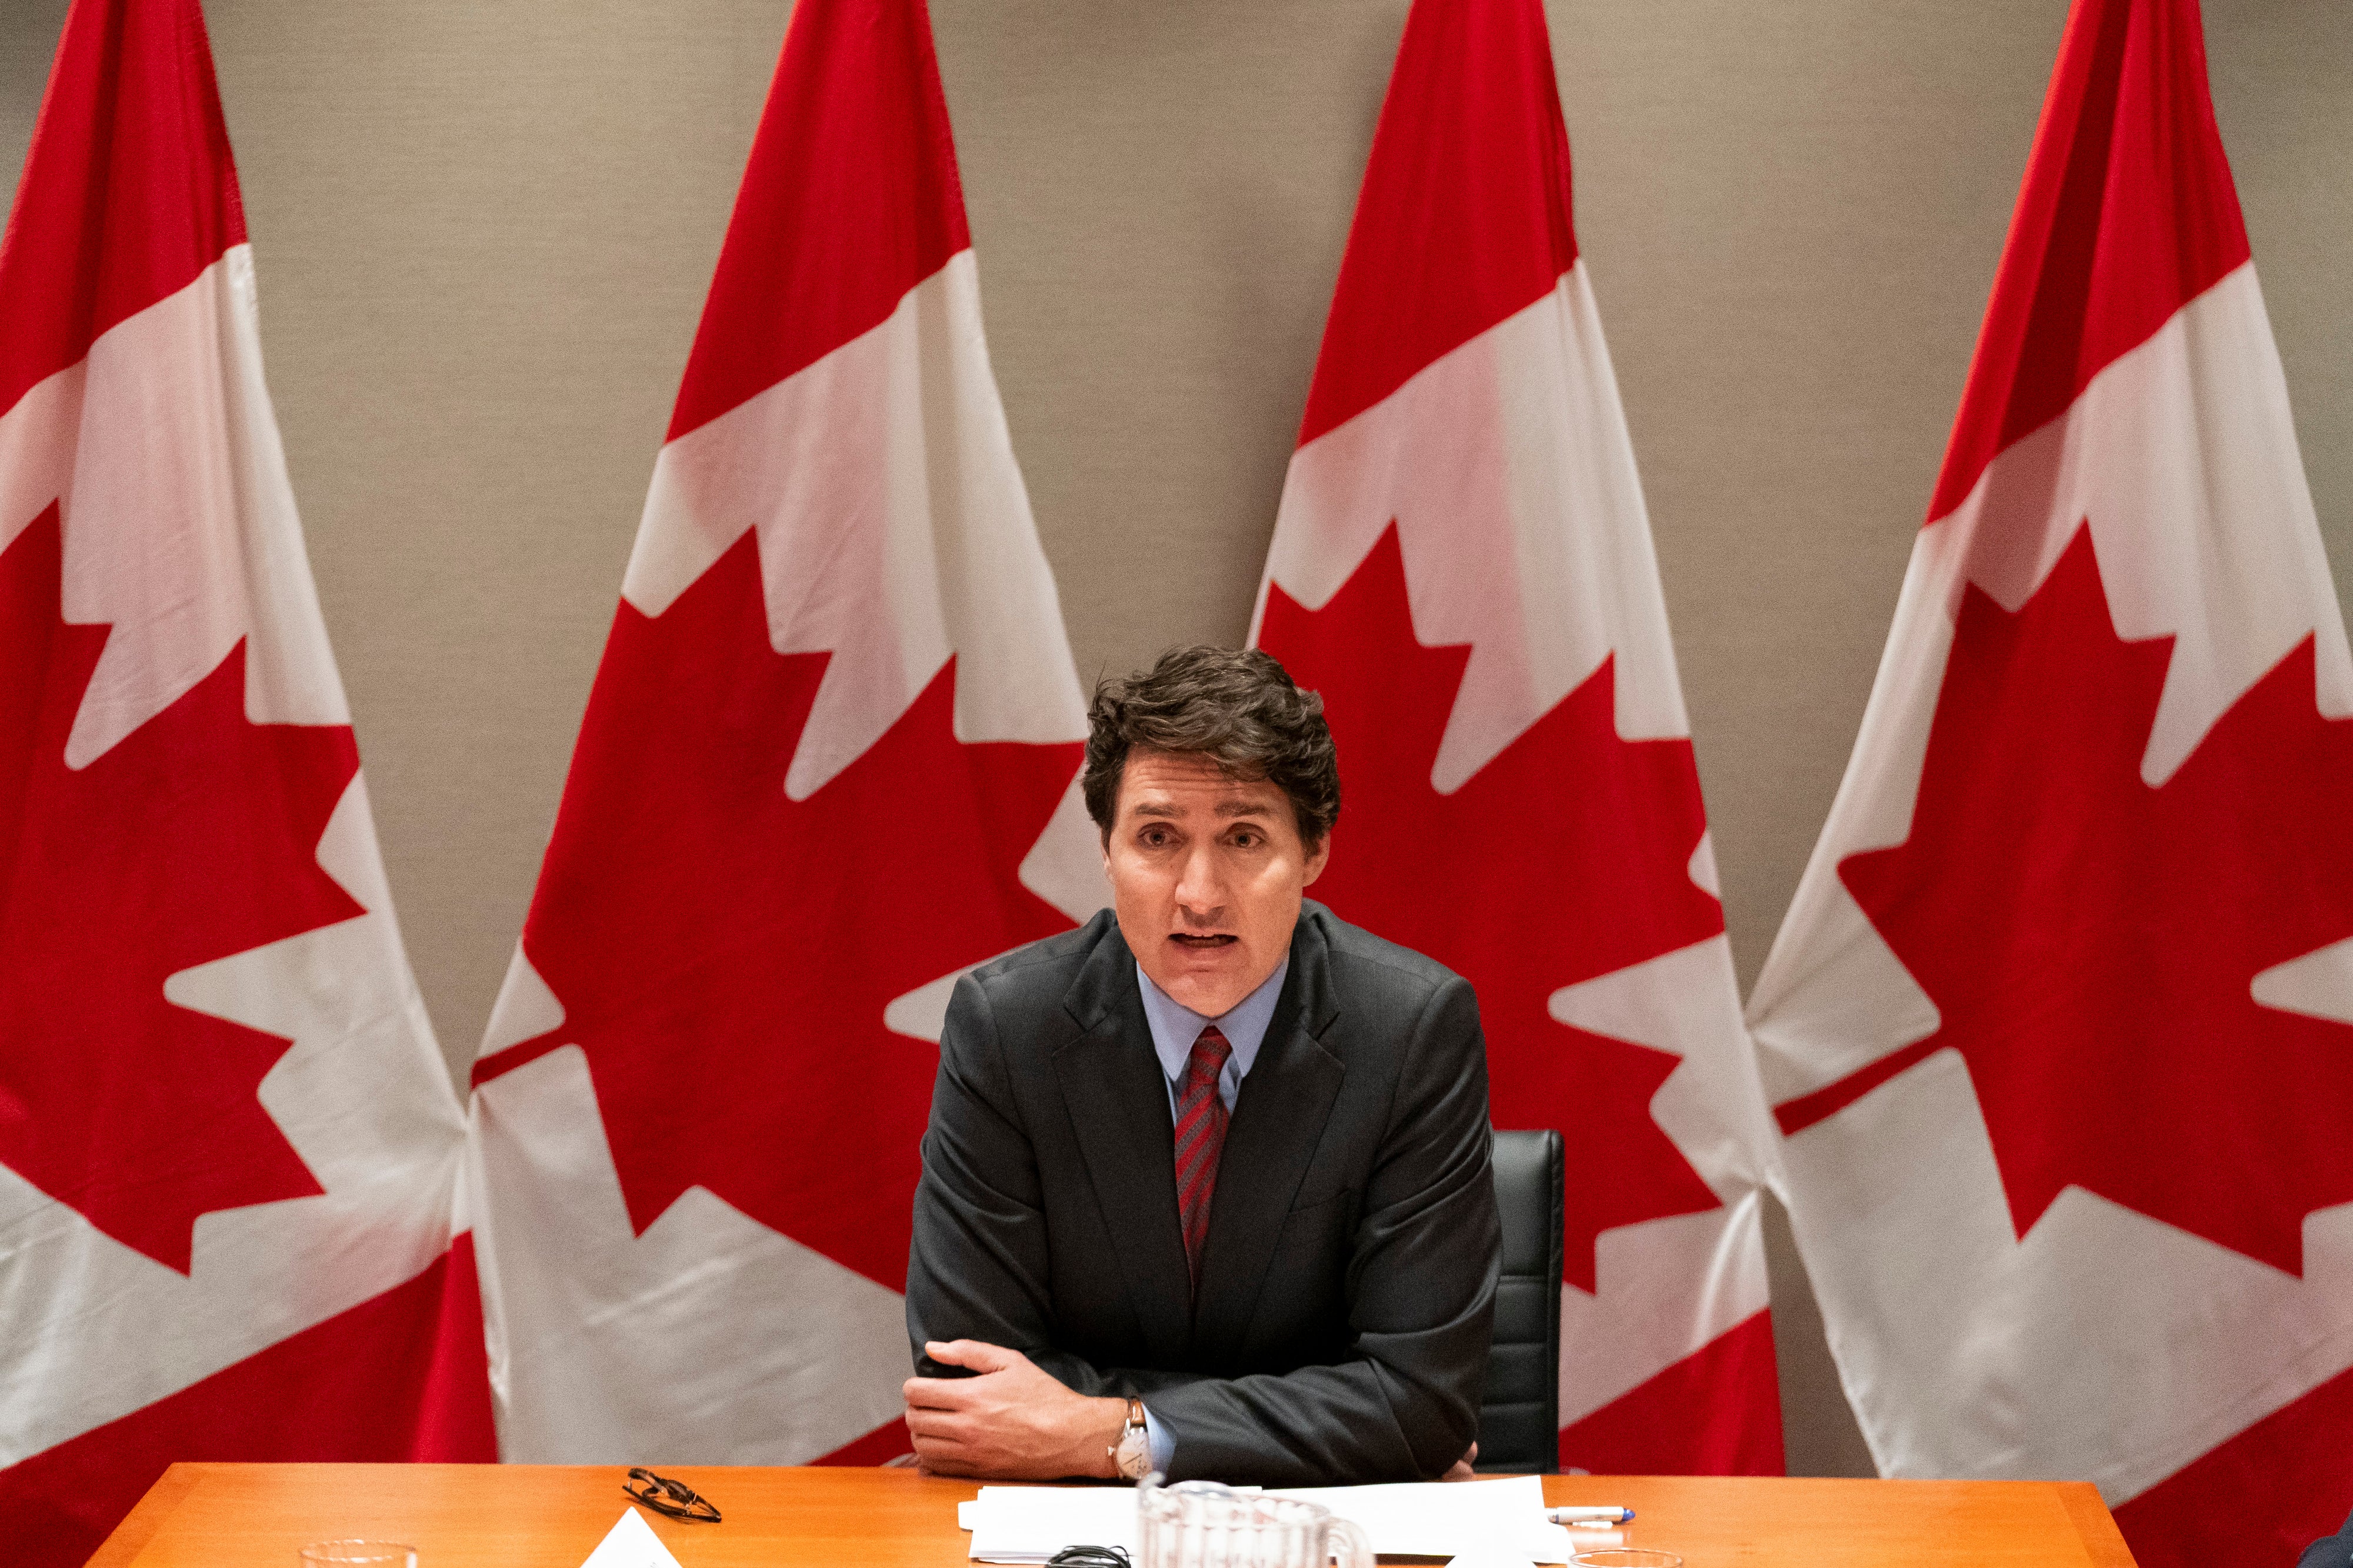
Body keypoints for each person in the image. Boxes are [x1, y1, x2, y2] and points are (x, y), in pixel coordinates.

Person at [901, 645, 1500, 1486]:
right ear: (1106, 850)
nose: (1199, 893)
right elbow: (971, 1392)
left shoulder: (1408, 1032)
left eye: (1244, 837)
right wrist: (1335, 1416)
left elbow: (1420, 1401)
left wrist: (1115, 1431)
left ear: (1315, 851)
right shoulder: (1009, 1029)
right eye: (1158, 837)